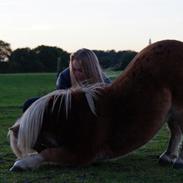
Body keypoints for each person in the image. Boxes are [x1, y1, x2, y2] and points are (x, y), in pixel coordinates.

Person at [23, 48, 111, 112]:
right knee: (30, 104)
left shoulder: (104, 82)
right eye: (73, 70)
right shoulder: (64, 77)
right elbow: (61, 104)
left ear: (90, 69)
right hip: (69, 109)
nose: (76, 73)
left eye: (80, 70)